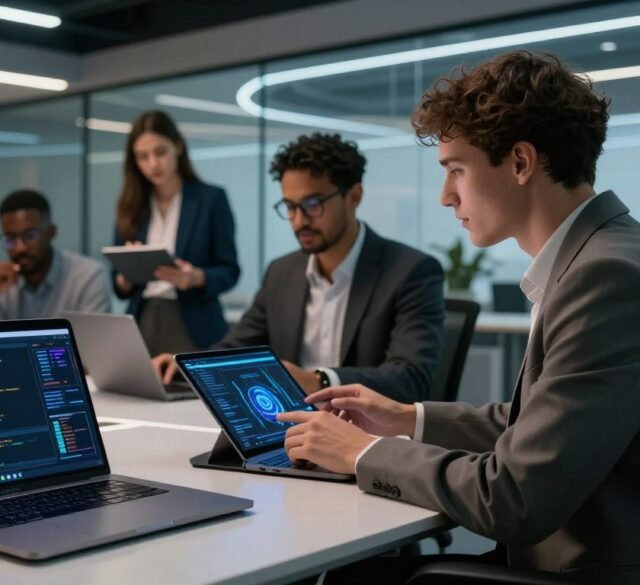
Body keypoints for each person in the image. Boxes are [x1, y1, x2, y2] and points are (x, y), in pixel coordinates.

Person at [279, 52, 640, 584]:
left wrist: (363, 453)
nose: (447, 197)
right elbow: (537, 425)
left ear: (520, 163)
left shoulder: (604, 277)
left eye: (456, 171)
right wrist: (406, 419)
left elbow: (513, 497)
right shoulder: (599, 255)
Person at [153, 133, 444, 403]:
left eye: (312, 204)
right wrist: (185, 366)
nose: (298, 220)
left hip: (368, 436)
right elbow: (237, 349)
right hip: (289, 428)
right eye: (290, 206)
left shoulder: (411, 271)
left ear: (354, 196)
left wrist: (318, 381)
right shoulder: (282, 273)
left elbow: (410, 378)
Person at [113, 110, 239, 355]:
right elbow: (117, 283)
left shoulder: (210, 199)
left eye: (160, 152)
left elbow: (230, 271)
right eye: (142, 157)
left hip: (194, 321)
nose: (153, 164)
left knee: (192, 391)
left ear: (178, 147)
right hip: (142, 318)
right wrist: (126, 275)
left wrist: (196, 277)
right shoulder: (130, 205)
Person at [0, 189, 110, 320]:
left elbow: (96, 344)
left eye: (30, 236)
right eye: (10, 239)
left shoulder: (87, 276)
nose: (20, 248)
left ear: (51, 232)